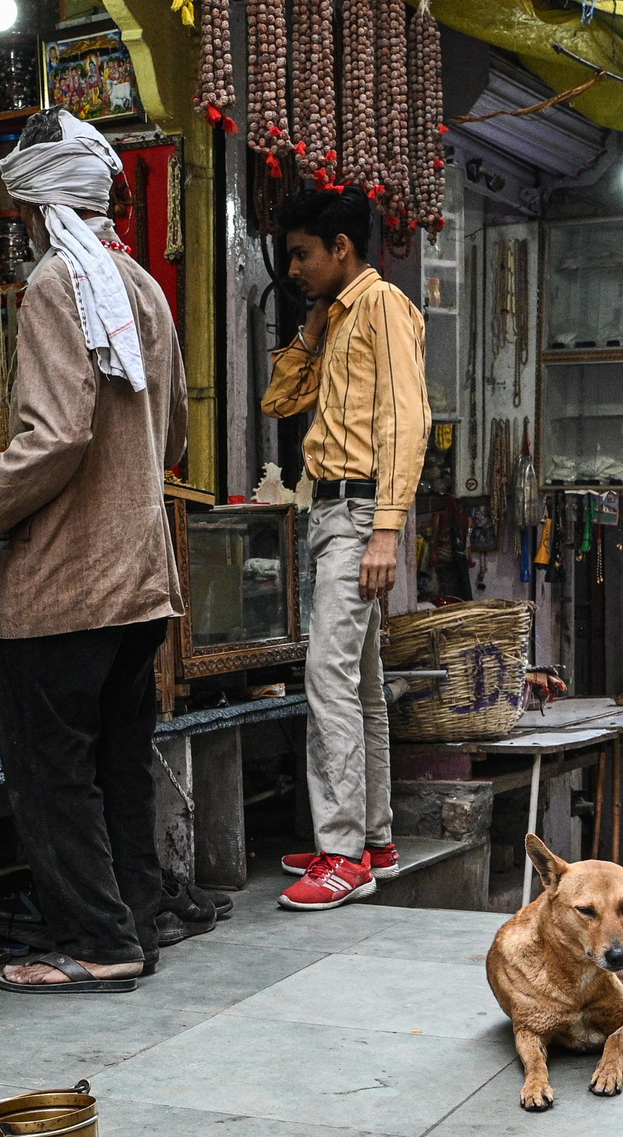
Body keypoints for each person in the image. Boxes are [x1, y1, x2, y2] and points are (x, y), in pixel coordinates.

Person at [0, 108, 188, 994]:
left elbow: (55, 436)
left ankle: (96, 941)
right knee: (116, 766)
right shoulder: (141, 287)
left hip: (67, 587)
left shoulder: (60, 285)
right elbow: (169, 438)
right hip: (140, 583)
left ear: (37, 211)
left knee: (53, 771)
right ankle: (132, 923)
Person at [260, 186, 430, 911]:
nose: (293, 267)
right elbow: (278, 401)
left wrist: (386, 529)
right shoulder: (338, 316)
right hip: (336, 514)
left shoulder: (383, 306)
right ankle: (375, 840)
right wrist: (312, 325)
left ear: (341, 248)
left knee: (326, 676)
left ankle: (340, 853)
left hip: (360, 513)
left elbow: (406, 419)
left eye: (302, 254)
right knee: (358, 682)